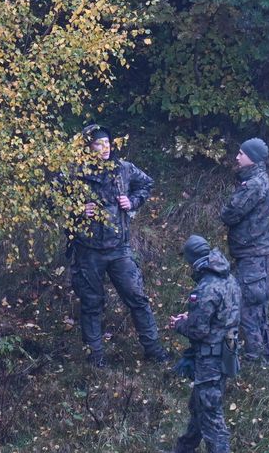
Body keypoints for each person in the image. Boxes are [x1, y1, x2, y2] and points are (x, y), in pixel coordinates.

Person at [67, 124, 170, 368]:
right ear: (88, 147)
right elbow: (51, 200)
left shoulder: (123, 169)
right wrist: (77, 210)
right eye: (98, 144)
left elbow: (146, 184)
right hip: (88, 250)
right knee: (92, 303)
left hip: (119, 249)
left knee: (137, 297)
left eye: (108, 144)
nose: (104, 149)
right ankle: (95, 355)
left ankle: (153, 348)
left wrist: (132, 201)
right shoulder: (74, 173)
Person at [170, 235, 241, 453]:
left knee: (210, 415)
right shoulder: (229, 279)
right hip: (227, 352)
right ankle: (184, 449)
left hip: (210, 358)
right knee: (199, 406)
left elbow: (198, 330)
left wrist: (180, 324)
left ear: (192, 258)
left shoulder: (206, 287)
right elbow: (224, 315)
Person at [219, 138, 269, 365]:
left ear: (252, 157)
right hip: (254, 253)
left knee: (249, 308)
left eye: (241, 153)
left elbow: (229, 213)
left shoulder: (254, 185)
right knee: (258, 308)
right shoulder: (257, 181)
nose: (237, 157)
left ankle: (256, 361)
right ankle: (264, 359)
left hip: (253, 254)